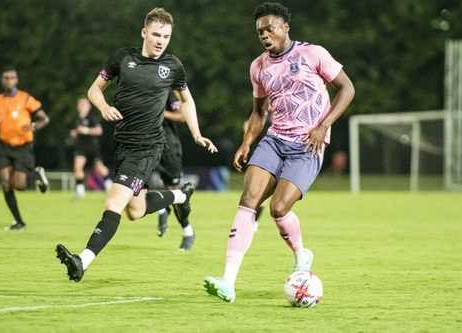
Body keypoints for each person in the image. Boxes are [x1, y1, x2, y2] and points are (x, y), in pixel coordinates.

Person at [204, 2, 355, 302]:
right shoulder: (258, 66)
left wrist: (323, 126)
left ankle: (301, 253)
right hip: (274, 140)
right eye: (260, 31)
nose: (264, 34)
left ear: (286, 27)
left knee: (278, 208)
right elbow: (259, 112)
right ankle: (228, 282)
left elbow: (347, 89)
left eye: (270, 27)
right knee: (248, 200)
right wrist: (247, 141)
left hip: (307, 146)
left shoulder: (313, 54)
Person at [56, 7, 217, 282]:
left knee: (113, 202)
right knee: (136, 210)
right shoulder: (123, 58)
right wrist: (104, 106)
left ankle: (82, 260)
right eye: (156, 34)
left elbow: (187, 100)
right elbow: (94, 89)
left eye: (166, 36)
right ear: (144, 32)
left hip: (148, 147)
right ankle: (180, 196)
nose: (160, 40)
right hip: (122, 146)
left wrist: (196, 134)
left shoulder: (173, 67)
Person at [0, 66, 50, 231]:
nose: (9, 80)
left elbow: (44, 118)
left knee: (20, 185)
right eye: (6, 78)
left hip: (23, 146)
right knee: (6, 183)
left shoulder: (25, 98)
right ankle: (19, 222)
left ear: (16, 80)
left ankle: (36, 173)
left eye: (12, 77)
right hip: (4, 146)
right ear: (2, 81)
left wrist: (34, 126)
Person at [155, 89, 196, 250]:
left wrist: (160, 113)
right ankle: (161, 209)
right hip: (146, 145)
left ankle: (187, 231)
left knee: (173, 191)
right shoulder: (141, 89)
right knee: (141, 184)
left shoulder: (167, 93)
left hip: (168, 148)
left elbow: (182, 116)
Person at [70, 96, 111, 199]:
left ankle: (109, 187)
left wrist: (85, 130)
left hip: (93, 148)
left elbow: (99, 131)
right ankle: (80, 192)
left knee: (100, 168)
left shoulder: (91, 118)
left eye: (84, 104)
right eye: (80, 104)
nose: (82, 106)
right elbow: (77, 131)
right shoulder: (77, 119)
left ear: (89, 106)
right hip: (81, 148)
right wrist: (74, 133)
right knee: (77, 167)